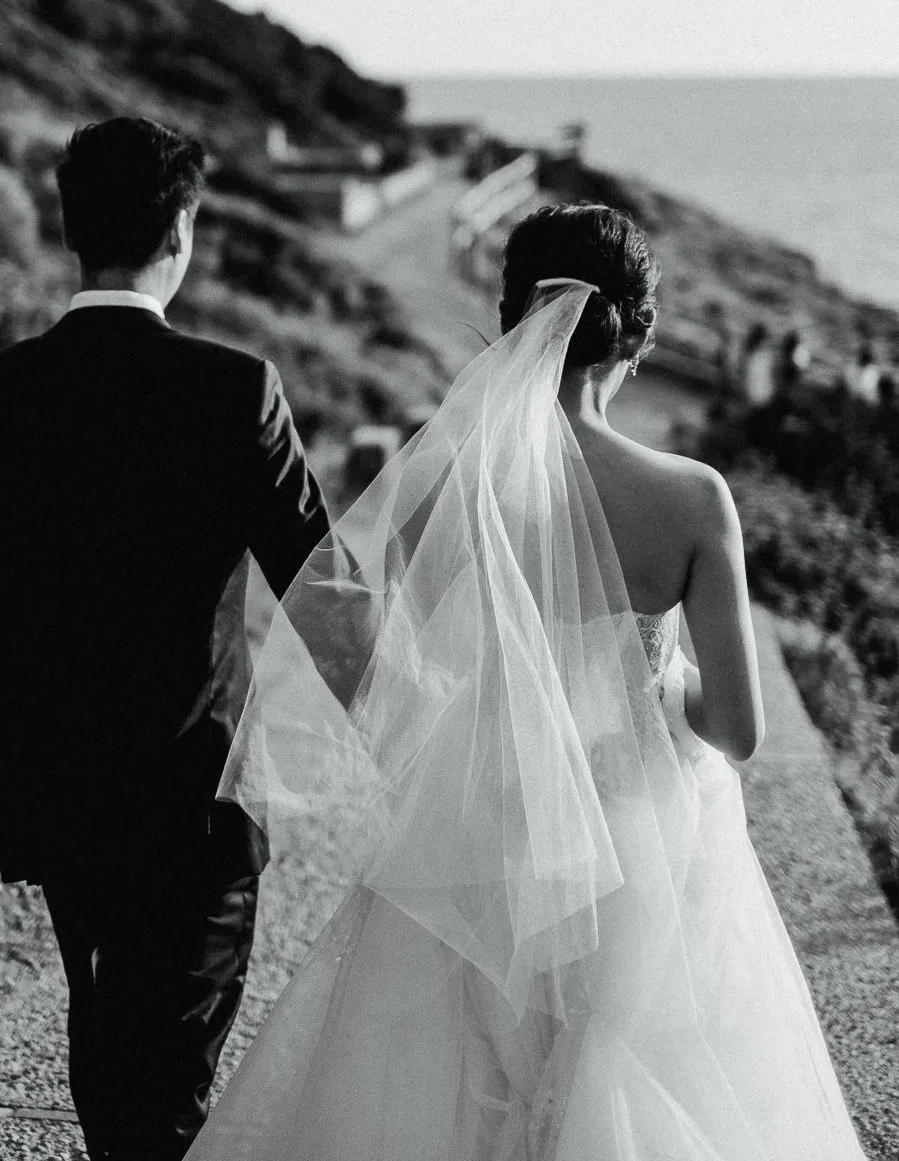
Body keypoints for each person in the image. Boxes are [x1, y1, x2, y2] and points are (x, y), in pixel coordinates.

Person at [191, 203, 867, 1160]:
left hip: (482, 827)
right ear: (638, 334)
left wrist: (429, 723)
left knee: (455, 1085)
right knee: (625, 1067)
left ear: (513, 321)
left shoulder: (443, 483)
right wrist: (660, 688)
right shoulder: (691, 499)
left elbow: (343, 613)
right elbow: (741, 730)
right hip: (638, 840)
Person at [0, 116, 330, 1160]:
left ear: (69, 230)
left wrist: (57, 695)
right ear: (180, 231)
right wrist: (427, 725)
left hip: (60, 789)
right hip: (200, 796)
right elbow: (327, 598)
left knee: (104, 1037)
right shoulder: (236, 390)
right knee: (167, 1081)